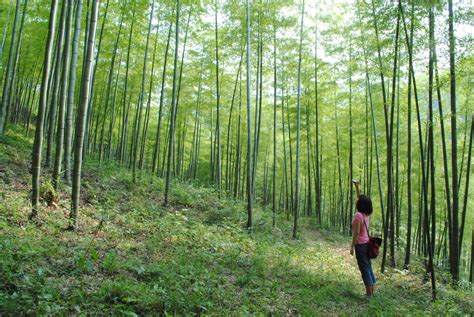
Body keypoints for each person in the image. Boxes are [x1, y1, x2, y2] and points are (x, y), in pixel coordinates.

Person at [350, 194, 376, 297]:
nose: (356, 201)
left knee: (364, 269)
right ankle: (371, 292)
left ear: (361, 204)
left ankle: (369, 295)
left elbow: (356, 233)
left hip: (360, 245)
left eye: (358, 200)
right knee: (368, 267)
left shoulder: (358, 215)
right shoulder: (366, 214)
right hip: (366, 243)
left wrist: (352, 246)